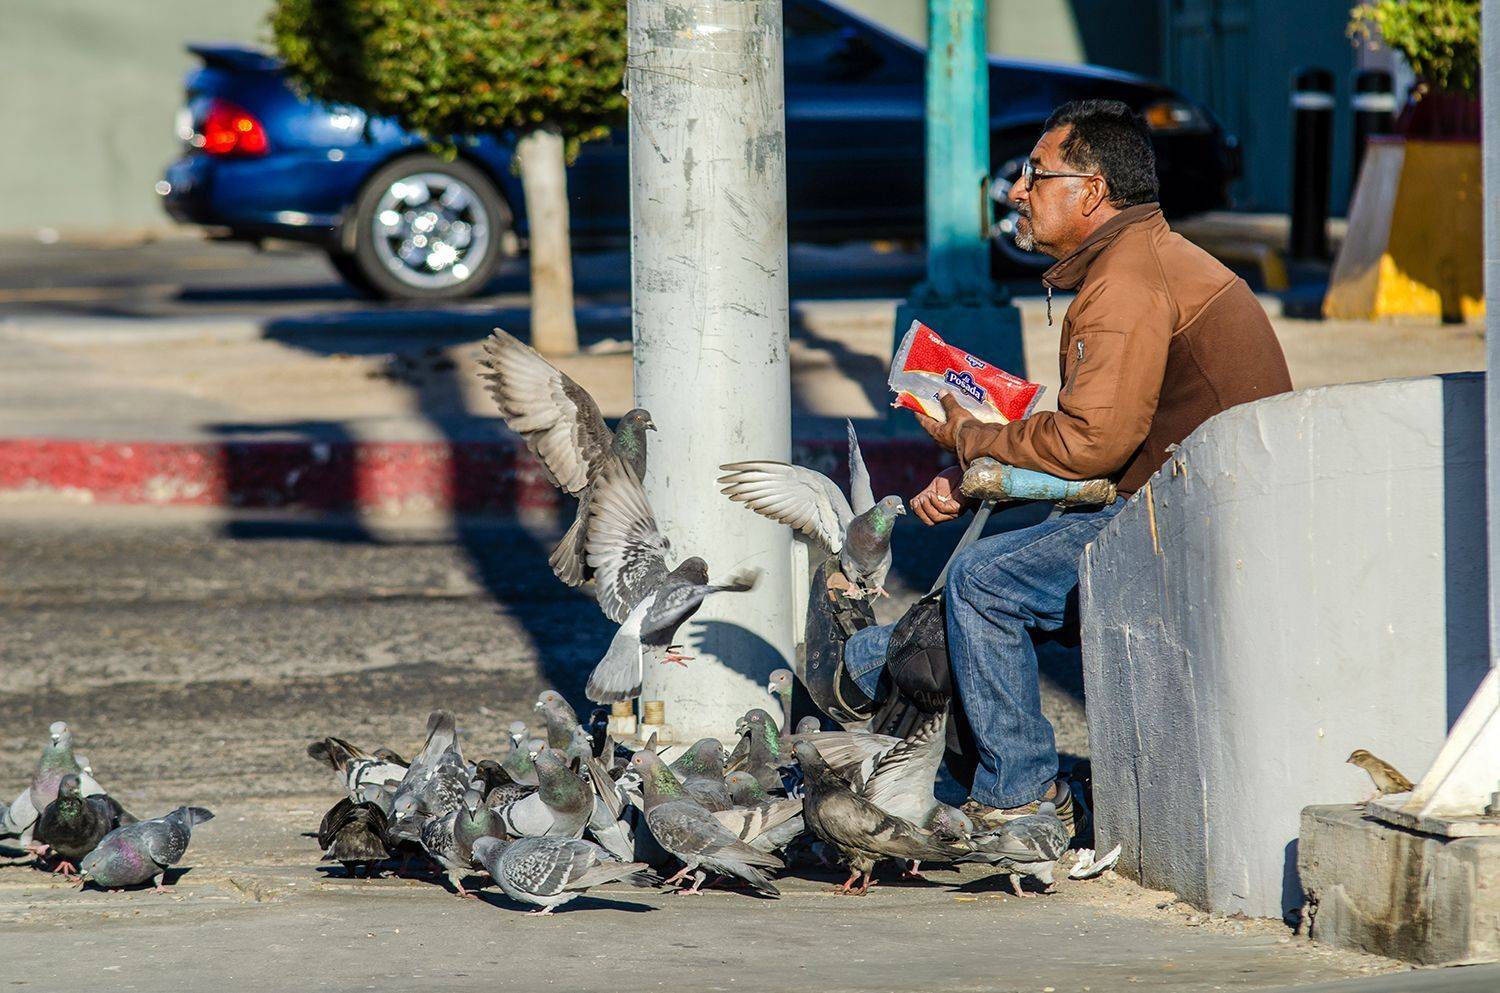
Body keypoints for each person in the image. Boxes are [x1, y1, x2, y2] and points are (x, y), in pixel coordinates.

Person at [843, 99, 1292, 833]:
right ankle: (858, 684)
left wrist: (971, 439)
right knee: (979, 581)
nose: (1018, 191)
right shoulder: (1141, 260)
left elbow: (1093, 444)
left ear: (1091, 191)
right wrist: (978, 469)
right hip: (1180, 502)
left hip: (1192, 523)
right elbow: (1107, 443)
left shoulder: (1125, 285)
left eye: (1036, 174)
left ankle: (1021, 793)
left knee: (985, 582)